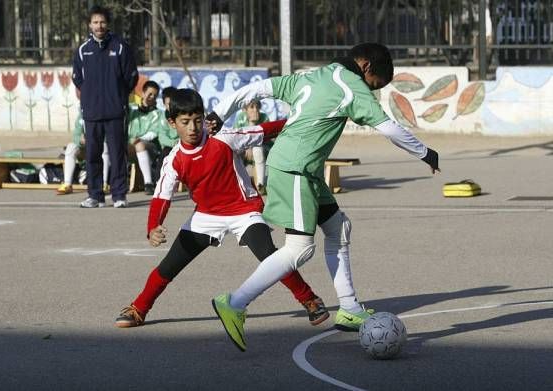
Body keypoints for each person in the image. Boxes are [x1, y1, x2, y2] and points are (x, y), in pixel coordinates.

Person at [207, 43, 441, 351]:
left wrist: (217, 113)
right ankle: (235, 303)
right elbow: (389, 128)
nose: (371, 91)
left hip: (304, 169)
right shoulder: (351, 86)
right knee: (299, 250)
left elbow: (258, 89)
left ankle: (350, 309)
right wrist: (426, 153)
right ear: (367, 67)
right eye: (375, 85)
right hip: (295, 170)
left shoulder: (314, 76)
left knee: (338, 228)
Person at [114, 89, 329, 329]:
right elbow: (161, 197)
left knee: (271, 255)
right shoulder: (174, 159)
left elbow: (263, 131)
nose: (193, 128)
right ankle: (139, 308)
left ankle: (310, 299)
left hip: (244, 212)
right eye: (185, 122)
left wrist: (299, 121)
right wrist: (153, 227)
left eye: (197, 120)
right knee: (168, 266)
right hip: (206, 217)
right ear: (172, 123)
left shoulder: (224, 137)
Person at [72, 5, 138, 208]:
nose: (99, 25)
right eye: (95, 22)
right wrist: (90, 99)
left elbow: (131, 77)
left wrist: (117, 96)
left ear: (107, 24)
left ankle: (119, 195)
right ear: (89, 25)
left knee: (117, 154)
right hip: (91, 113)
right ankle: (95, 195)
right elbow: (78, 79)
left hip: (115, 112)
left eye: (102, 22)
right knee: (92, 154)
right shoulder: (83, 50)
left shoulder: (120, 47)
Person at [126, 80, 166, 195]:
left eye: (154, 95)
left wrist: (139, 139)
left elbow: (153, 133)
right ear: (143, 93)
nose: (151, 97)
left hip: (150, 148)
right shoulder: (132, 111)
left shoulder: (158, 114)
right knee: (115, 146)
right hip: (132, 145)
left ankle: (148, 184)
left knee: (140, 145)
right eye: (149, 94)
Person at [57, 112, 110, 195]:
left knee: (105, 146)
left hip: (99, 144)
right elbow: (75, 135)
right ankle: (67, 184)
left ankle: (104, 183)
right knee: (71, 147)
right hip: (86, 147)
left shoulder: (102, 113)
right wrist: (80, 140)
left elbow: (108, 135)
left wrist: (94, 139)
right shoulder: (81, 116)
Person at [233, 99, 271, 195]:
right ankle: (236, 185)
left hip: (263, 149)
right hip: (245, 150)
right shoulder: (240, 117)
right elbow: (235, 139)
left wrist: (254, 124)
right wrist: (247, 147)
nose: (255, 110)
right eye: (252, 107)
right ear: (245, 110)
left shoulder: (264, 117)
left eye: (257, 107)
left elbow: (266, 138)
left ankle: (260, 185)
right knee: (234, 154)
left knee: (257, 150)